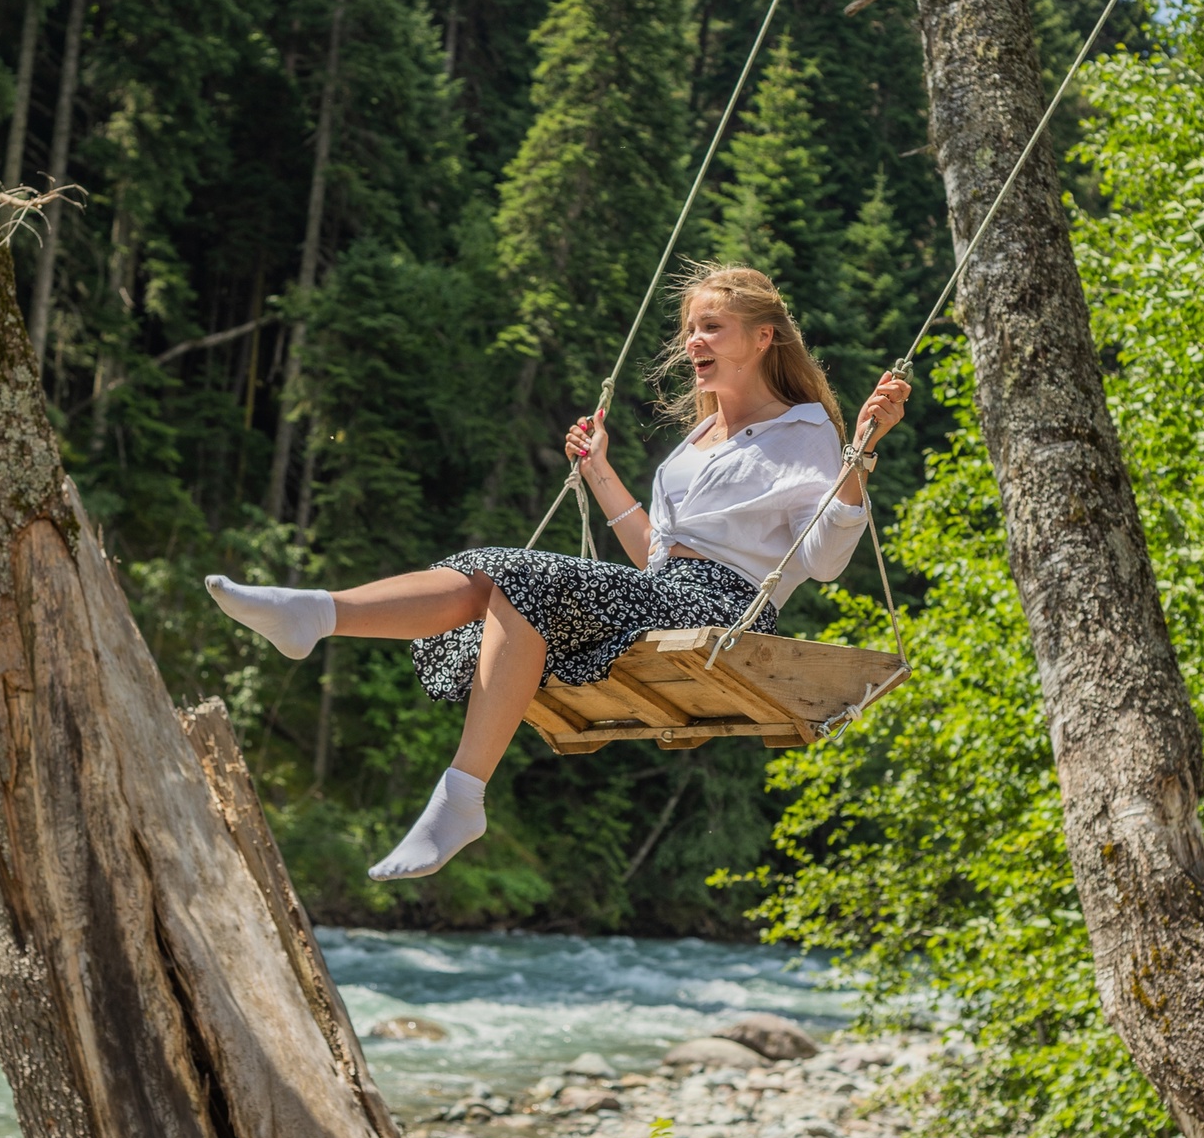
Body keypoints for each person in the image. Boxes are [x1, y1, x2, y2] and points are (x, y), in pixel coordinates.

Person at [205, 266, 909, 881]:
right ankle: (316, 616)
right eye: (690, 328)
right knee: (484, 569)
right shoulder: (696, 441)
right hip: (668, 592)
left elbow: (823, 560)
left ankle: (459, 795)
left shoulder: (807, 429)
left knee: (520, 580)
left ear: (762, 339)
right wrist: (600, 475)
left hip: (728, 608)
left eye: (712, 328)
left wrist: (860, 458)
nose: (693, 341)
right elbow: (656, 555)